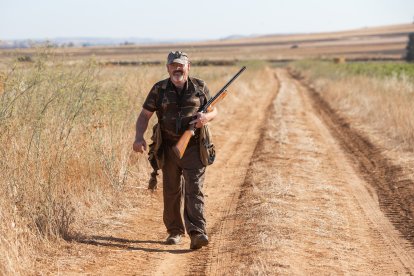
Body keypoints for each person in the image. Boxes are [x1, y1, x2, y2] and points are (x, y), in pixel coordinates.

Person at [133, 51, 218, 250]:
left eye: (181, 65)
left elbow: (214, 110)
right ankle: (174, 232)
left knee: (194, 189)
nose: (177, 68)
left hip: (195, 148)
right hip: (169, 149)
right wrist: (139, 137)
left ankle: (197, 232)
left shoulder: (200, 87)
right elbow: (145, 115)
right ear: (168, 67)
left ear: (188, 67)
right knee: (171, 191)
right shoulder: (159, 89)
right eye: (173, 65)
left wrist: (206, 118)